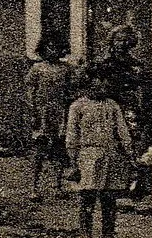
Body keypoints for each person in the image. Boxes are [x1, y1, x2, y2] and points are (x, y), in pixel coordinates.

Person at [65, 75, 134, 237]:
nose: (102, 90)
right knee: (87, 196)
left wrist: (129, 153)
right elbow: (71, 135)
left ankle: (108, 233)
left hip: (110, 155)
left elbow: (122, 131)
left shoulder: (112, 106)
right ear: (88, 86)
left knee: (109, 198)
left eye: (105, 87)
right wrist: (73, 161)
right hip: (87, 155)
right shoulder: (77, 106)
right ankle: (85, 233)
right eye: (97, 86)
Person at [25, 32, 74, 202]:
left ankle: (58, 185)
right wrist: (33, 112)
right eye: (49, 48)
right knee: (39, 150)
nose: (53, 51)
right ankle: (34, 187)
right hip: (42, 113)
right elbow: (30, 92)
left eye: (57, 48)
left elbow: (69, 91)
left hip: (59, 113)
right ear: (43, 49)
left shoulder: (66, 69)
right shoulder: (37, 68)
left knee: (59, 150)